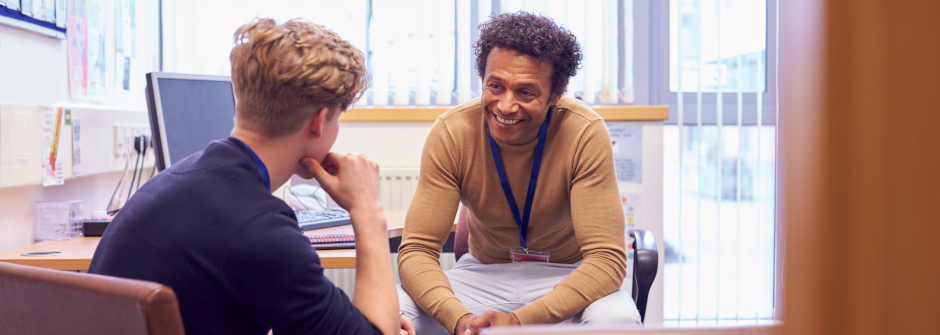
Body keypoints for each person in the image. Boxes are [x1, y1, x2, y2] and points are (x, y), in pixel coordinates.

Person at [89, 18, 413, 335]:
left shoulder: (177, 179)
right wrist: (368, 210)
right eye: (339, 117)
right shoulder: (259, 229)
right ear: (319, 121)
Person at [397, 12, 642, 335]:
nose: (505, 106)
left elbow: (607, 260)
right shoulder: (452, 132)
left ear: (555, 95)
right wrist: (457, 318)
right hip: (482, 274)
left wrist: (519, 321)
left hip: (567, 273)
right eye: (495, 86)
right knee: (391, 314)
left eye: (526, 92)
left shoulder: (584, 132)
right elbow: (417, 250)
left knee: (619, 323)